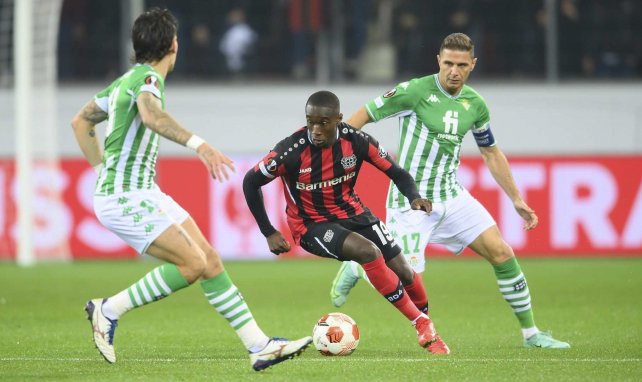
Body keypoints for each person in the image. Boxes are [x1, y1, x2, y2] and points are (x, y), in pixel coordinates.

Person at [70, 8, 311, 371]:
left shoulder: (125, 80)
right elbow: (151, 116)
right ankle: (108, 309)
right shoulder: (149, 80)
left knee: (209, 261)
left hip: (140, 191)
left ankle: (259, 346)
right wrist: (200, 144)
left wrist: (103, 170)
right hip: (126, 197)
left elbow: (81, 121)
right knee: (193, 263)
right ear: (173, 45)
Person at [329, 32, 570, 349]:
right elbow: (359, 118)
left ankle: (531, 334)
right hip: (411, 201)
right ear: (438, 61)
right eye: (447, 63)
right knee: (407, 280)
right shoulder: (414, 91)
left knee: (502, 252)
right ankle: (360, 266)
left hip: (452, 196)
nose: (453, 71)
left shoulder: (475, 104)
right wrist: (336, 160)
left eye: (461, 64)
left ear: (472, 65)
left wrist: (516, 198)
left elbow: (491, 152)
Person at [243, 90, 449, 355]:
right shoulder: (290, 151)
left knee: (405, 271)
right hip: (311, 224)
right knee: (368, 252)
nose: (315, 129)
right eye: (310, 122)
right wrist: (268, 231)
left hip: (354, 213)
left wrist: (414, 196)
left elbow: (397, 172)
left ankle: (429, 329)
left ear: (339, 119)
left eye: (323, 123)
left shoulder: (358, 141)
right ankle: (421, 323)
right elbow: (251, 181)